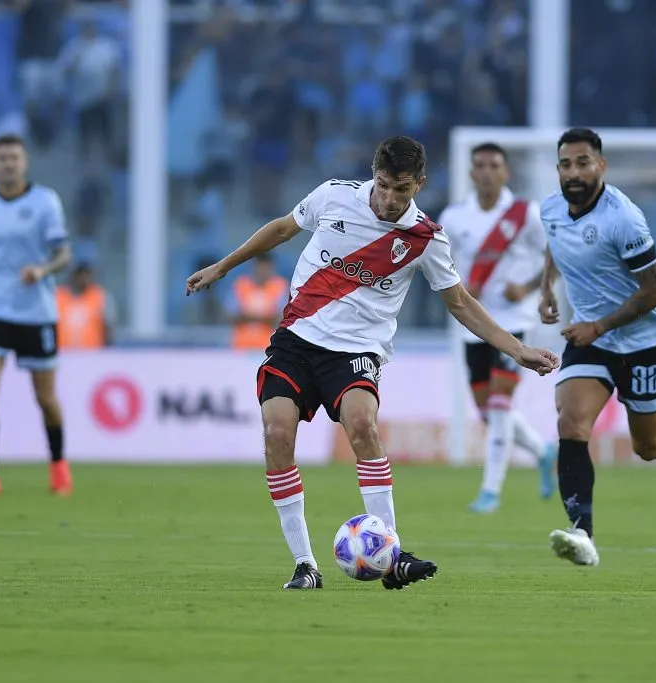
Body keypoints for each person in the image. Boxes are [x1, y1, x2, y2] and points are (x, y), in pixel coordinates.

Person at [186, 136, 560, 590]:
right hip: (296, 342)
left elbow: (460, 303)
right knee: (276, 435)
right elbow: (283, 228)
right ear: (373, 173)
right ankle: (305, 563)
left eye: (401, 189)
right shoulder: (334, 195)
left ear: (418, 185)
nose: (388, 199)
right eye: (383, 185)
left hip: (356, 351)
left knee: (363, 427)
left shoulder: (426, 239)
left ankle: (393, 556)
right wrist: (222, 267)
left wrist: (517, 349)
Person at [539, 128, 656, 567]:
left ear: (601, 166)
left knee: (649, 448)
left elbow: (655, 291)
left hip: (643, 342)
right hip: (590, 342)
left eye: (583, 162)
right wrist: (546, 287)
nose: (574, 171)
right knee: (571, 421)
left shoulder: (624, 220)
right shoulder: (551, 209)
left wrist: (600, 325)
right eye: (566, 164)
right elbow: (555, 243)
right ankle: (584, 535)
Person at [439, 143, 558, 513]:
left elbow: (555, 253)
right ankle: (542, 451)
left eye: (494, 165)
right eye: (480, 166)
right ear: (471, 174)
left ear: (506, 172)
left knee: (501, 405)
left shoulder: (526, 214)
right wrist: (459, 284)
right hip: (472, 324)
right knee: (487, 411)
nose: (487, 171)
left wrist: (530, 287)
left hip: (514, 322)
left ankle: (490, 491)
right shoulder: (455, 218)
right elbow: (439, 263)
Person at [0, 134, 74, 497]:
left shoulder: (44, 202)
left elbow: (63, 255)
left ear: (24, 163)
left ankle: (58, 464)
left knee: (45, 398)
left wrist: (42, 270)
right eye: (2, 158)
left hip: (36, 310)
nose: (8, 163)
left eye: (14, 158)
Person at [227, 254, 290, 352]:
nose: (262, 271)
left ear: (271, 267)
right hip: (241, 347)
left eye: (265, 267)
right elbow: (231, 316)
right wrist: (266, 317)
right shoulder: (241, 284)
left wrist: (247, 316)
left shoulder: (280, 286)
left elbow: (280, 319)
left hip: (269, 347)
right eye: (259, 267)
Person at [57, 262, 118, 349]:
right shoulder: (57, 296)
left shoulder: (101, 296)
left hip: (92, 356)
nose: (84, 278)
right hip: (63, 354)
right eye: (80, 274)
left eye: (87, 274)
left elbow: (109, 328)